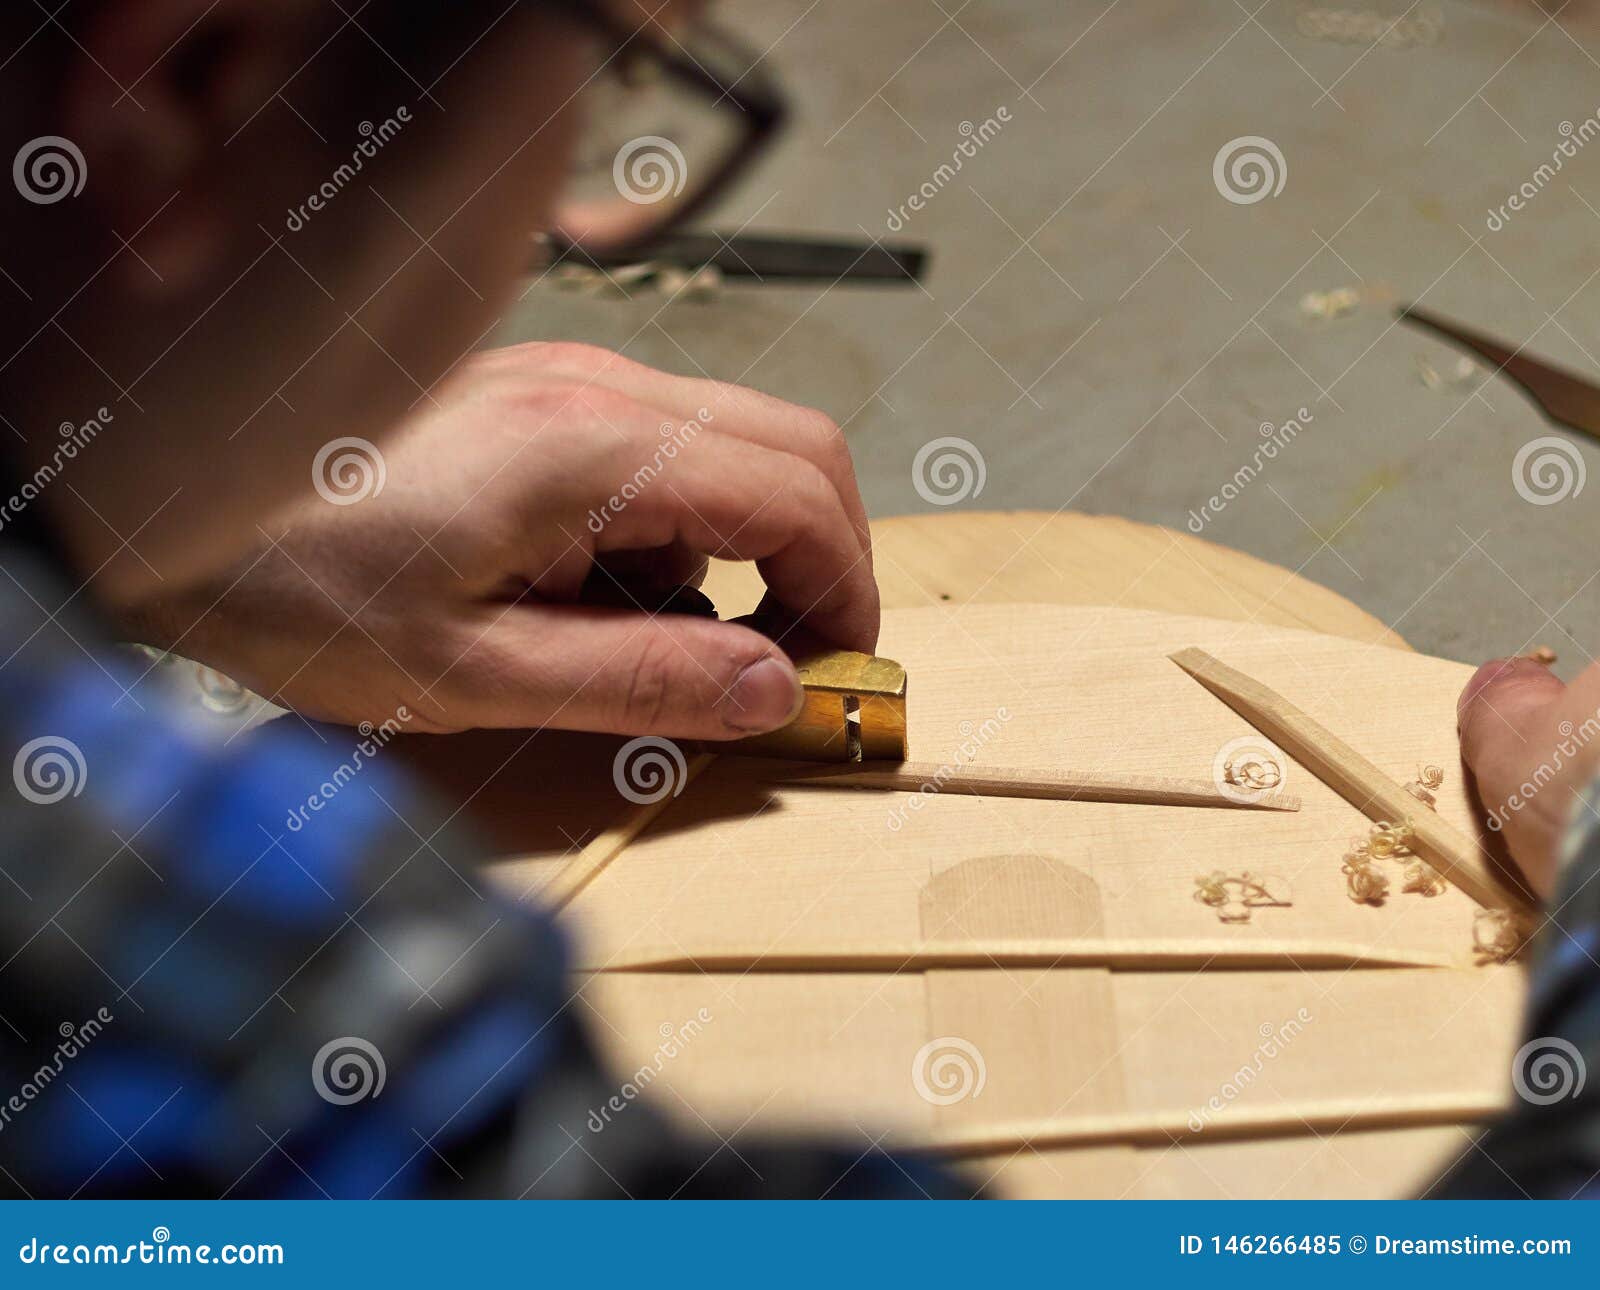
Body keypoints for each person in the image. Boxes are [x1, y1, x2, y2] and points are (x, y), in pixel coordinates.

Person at [0, 0, 1584, 1199]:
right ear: (188, 74)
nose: (583, 213)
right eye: (625, 76)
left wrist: (173, 516)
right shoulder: (196, 969)